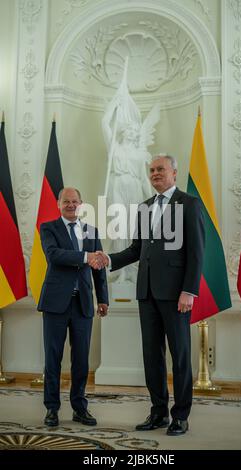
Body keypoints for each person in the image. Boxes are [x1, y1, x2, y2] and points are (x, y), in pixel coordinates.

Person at [95, 154, 205, 435]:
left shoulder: (188, 204)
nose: (155, 173)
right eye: (152, 170)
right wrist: (109, 258)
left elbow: (196, 252)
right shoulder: (144, 207)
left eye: (161, 169)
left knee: (179, 355)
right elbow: (136, 249)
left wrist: (189, 291)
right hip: (146, 292)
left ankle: (181, 415)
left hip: (176, 295)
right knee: (151, 356)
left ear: (174, 173)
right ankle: (159, 413)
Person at [38, 187, 108, 427]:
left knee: (81, 360)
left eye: (74, 201)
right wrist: (84, 257)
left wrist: (103, 298)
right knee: (53, 358)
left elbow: (98, 267)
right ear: (58, 204)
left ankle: (79, 408)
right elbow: (54, 255)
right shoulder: (48, 228)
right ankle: (52, 409)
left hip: (83, 305)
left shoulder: (92, 231)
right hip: (55, 304)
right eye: (66, 201)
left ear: (82, 204)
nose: (70, 205)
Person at [102, 61, 159, 283]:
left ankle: (133, 268)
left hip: (135, 187)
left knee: (135, 228)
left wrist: (152, 202)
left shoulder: (139, 155)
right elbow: (104, 124)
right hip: (118, 184)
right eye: (132, 129)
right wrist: (114, 105)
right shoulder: (114, 148)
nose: (134, 132)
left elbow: (145, 179)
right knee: (118, 226)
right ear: (125, 130)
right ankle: (119, 269)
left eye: (137, 130)